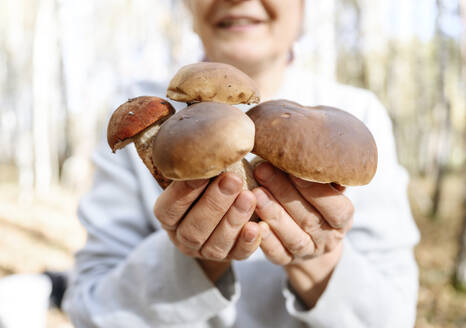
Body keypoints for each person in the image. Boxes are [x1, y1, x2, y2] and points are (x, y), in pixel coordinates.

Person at [63, 1, 420, 327]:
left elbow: (395, 316)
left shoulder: (361, 113)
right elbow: (88, 309)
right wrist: (191, 263)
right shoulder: (146, 115)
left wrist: (319, 261)